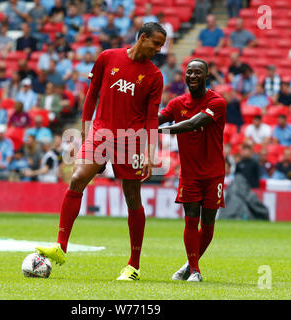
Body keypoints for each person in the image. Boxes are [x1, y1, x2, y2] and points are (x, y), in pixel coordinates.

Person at [36, 22, 167, 281]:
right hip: (100, 133)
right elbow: (92, 93)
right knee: (76, 179)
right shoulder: (108, 57)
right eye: (156, 43)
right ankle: (61, 246)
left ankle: (133, 265)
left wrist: (151, 150)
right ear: (142, 38)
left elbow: (152, 117)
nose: (159, 49)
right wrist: (86, 128)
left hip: (131, 140)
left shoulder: (154, 76)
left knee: (132, 198)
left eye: (162, 45)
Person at [158, 58, 227, 282]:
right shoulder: (178, 103)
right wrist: (139, 118)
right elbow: (157, 116)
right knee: (190, 219)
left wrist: (160, 130)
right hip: (189, 174)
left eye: (198, 72)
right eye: (189, 72)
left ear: (207, 76)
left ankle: (189, 265)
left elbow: (193, 123)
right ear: (184, 76)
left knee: (207, 224)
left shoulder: (217, 102)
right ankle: (195, 270)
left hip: (214, 172)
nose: (193, 76)